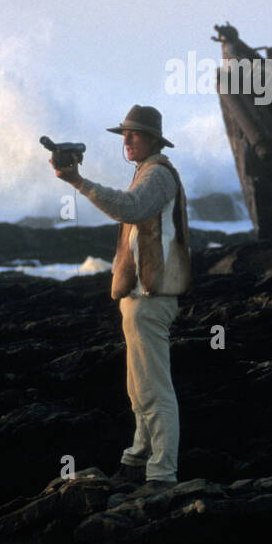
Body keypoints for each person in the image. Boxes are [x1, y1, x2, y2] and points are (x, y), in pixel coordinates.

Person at [50, 105, 191, 491]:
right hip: (140, 296)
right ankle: (138, 458)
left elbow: (128, 208)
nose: (126, 140)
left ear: (153, 139)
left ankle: (162, 474)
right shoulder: (146, 174)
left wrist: (79, 182)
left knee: (154, 390)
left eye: (134, 134)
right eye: (124, 134)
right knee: (138, 388)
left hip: (151, 297)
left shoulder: (159, 175)